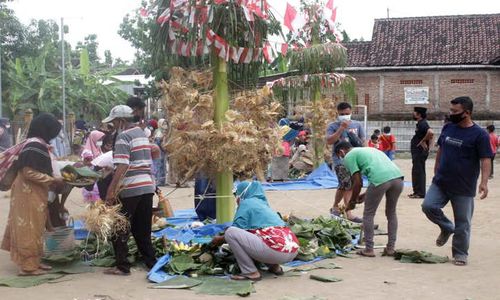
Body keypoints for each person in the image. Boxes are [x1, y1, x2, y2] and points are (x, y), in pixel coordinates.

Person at [421, 96, 492, 266]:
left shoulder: (480, 135)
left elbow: (485, 159)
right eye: (450, 110)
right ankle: (446, 227)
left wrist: (484, 182)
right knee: (428, 206)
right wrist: (436, 169)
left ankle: (460, 253)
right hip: (441, 182)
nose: (450, 114)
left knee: (463, 222)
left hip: (463, 185)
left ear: (467, 113)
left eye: (455, 111)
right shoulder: (448, 127)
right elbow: (441, 149)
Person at [1, 113, 65, 276]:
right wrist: (53, 180)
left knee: (37, 226)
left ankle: (35, 261)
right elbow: (28, 172)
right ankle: (28, 267)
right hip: (28, 193)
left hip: (34, 192)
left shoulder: (35, 143)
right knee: (29, 228)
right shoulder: (35, 145)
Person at [102, 105, 157, 275]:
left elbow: (123, 165)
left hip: (131, 187)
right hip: (147, 186)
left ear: (121, 121)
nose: (113, 126)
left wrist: (111, 191)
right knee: (143, 228)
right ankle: (151, 262)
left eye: (114, 122)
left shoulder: (123, 137)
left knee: (119, 226)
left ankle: (122, 265)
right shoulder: (141, 134)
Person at [211, 181, 299, 281]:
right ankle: (274, 267)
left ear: (243, 193)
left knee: (231, 232)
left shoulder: (247, 203)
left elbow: (237, 229)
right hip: (292, 250)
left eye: (237, 195)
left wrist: (220, 239)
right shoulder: (263, 205)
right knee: (263, 236)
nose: (236, 199)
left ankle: (251, 272)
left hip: (276, 252)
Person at [335, 141, 404, 257]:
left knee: (368, 214)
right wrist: (366, 195)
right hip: (398, 178)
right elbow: (379, 172)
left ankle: (369, 249)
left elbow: (358, 183)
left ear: (342, 152)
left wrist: (352, 202)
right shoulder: (368, 150)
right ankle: (391, 248)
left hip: (380, 180)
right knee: (391, 213)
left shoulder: (349, 156)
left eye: (340, 156)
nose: (342, 159)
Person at [326, 102, 366, 222]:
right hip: (340, 160)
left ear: (351, 112)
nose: (345, 116)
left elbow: (363, 141)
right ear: (337, 113)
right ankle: (346, 212)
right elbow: (329, 141)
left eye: (347, 114)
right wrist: (341, 128)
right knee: (346, 184)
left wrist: (366, 153)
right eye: (342, 114)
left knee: (348, 186)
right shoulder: (333, 126)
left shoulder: (357, 125)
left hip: (355, 159)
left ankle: (337, 207)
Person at [409, 107, 433, 199]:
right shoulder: (420, 124)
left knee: (419, 171)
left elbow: (431, 133)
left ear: (419, 114)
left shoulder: (423, 123)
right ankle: (416, 191)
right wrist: (429, 147)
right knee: (416, 171)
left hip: (419, 152)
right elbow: (431, 136)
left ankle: (420, 193)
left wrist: (423, 141)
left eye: (414, 112)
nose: (413, 114)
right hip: (418, 152)